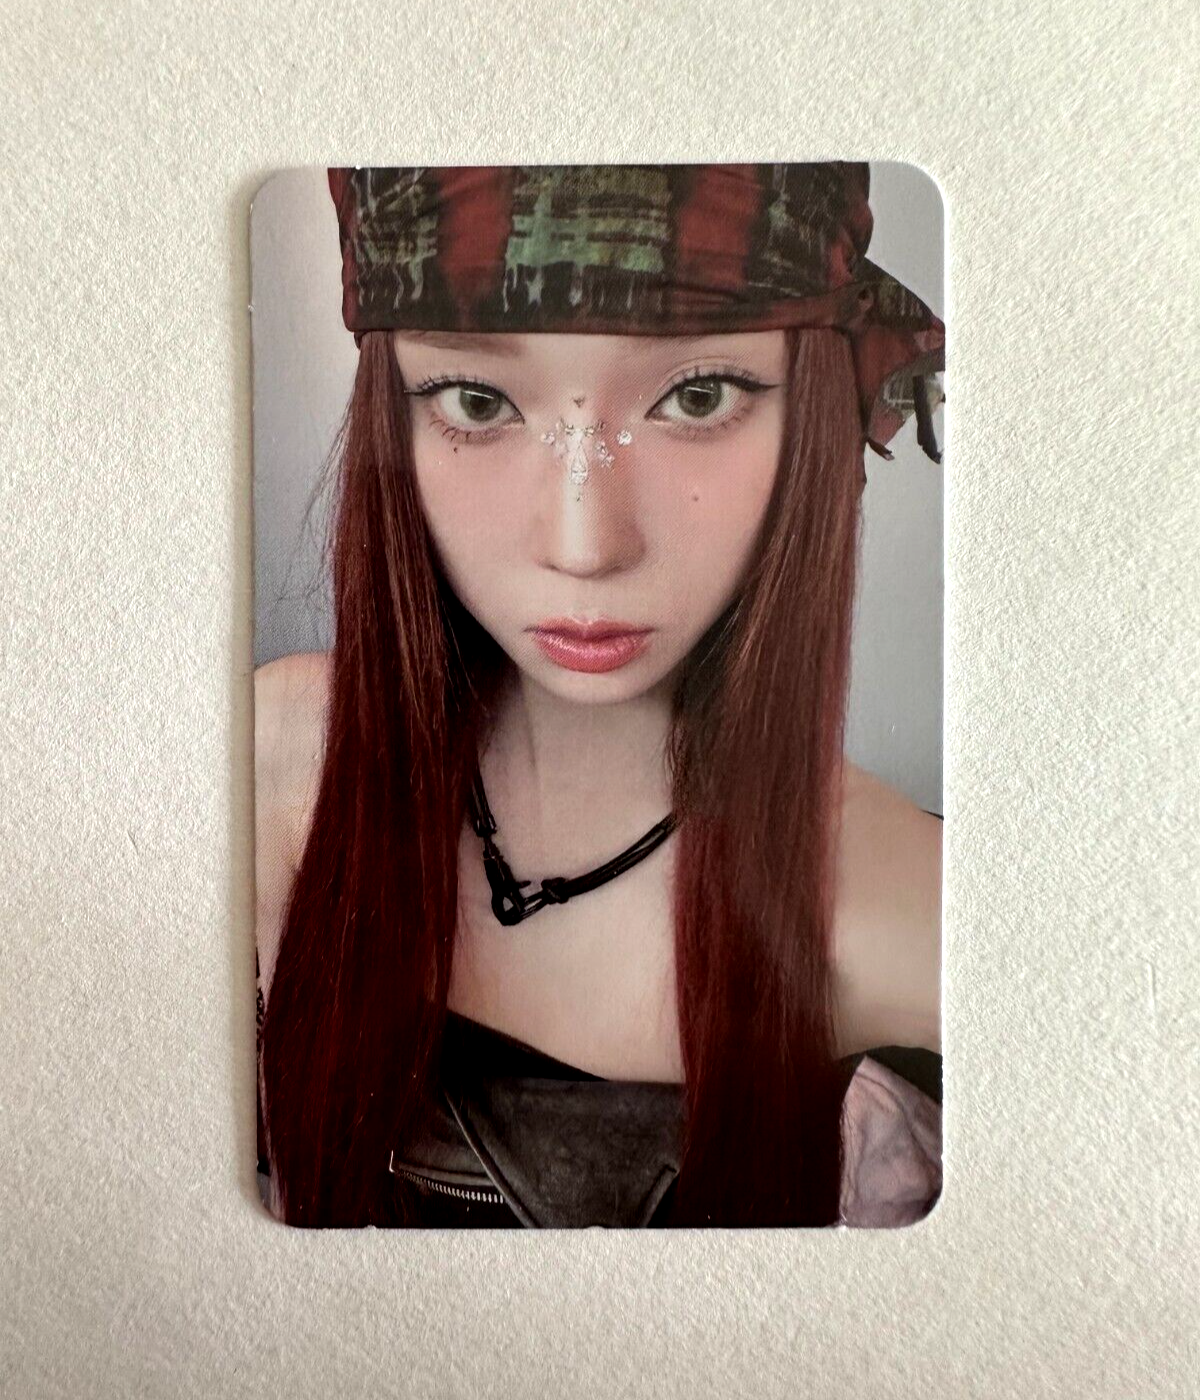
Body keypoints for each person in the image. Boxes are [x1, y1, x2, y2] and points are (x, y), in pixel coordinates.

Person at [254, 163, 945, 1229]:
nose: (584, 545)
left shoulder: (923, 916)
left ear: (812, 408)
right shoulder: (279, 767)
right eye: (477, 400)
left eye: (697, 396)